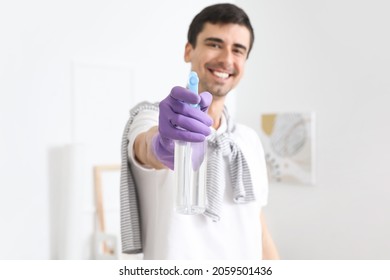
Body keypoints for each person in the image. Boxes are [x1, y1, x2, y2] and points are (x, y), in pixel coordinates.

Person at [120, 3, 279, 260]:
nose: (227, 59)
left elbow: (258, 229)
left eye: (238, 50)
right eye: (215, 44)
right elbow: (144, 146)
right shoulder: (153, 117)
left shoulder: (248, 140)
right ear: (188, 50)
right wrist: (163, 144)